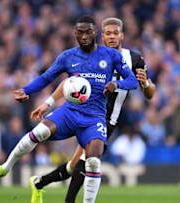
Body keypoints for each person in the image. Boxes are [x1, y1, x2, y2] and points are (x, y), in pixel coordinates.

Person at [0, 15, 139, 203]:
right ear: (75, 34)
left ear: (94, 33)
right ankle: (5, 168)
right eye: (80, 32)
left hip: (95, 117)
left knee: (92, 162)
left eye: (88, 32)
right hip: (70, 112)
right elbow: (47, 77)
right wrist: (26, 90)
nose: (84, 36)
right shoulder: (68, 57)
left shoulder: (111, 55)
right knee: (38, 132)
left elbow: (132, 81)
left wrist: (117, 84)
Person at [28, 17, 156, 203]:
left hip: (110, 119)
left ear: (122, 35)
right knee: (85, 162)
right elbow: (69, 83)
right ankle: (66, 199)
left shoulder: (134, 59)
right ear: (101, 36)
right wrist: (49, 102)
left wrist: (144, 83)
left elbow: (150, 93)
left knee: (75, 166)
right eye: (108, 33)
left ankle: (39, 183)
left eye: (116, 33)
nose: (112, 37)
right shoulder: (90, 56)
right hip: (87, 115)